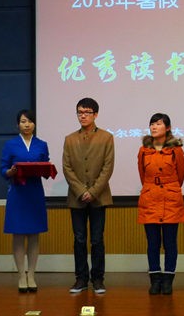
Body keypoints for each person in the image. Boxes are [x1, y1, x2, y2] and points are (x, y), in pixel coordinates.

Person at [63, 98, 115, 294]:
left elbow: (107, 167)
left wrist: (92, 192)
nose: (83, 115)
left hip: (99, 197)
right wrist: (80, 191)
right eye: (80, 112)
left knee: (97, 239)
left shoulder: (106, 137)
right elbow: (67, 168)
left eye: (87, 112)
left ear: (96, 114)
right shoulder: (69, 139)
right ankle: (81, 279)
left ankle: (98, 279)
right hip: (76, 198)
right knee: (79, 239)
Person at [0, 109, 50, 293]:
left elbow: (46, 165)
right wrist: (10, 172)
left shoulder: (42, 145)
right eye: (23, 121)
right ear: (17, 125)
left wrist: (46, 169)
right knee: (19, 235)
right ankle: (21, 275)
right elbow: (2, 169)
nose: (27, 124)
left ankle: (32, 275)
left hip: (35, 192)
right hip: (18, 193)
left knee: (34, 235)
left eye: (29, 121)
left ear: (34, 124)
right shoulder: (10, 145)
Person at [137, 113, 184, 295]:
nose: (154, 127)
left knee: (170, 242)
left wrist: (168, 189)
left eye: (158, 123)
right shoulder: (143, 150)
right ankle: (155, 278)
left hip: (171, 200)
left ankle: (168, 280)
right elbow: (143, 176)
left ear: (168, 128)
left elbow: (180, 176)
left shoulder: (176, 150)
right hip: (150, 199)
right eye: (152, 124)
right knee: (153, 243)